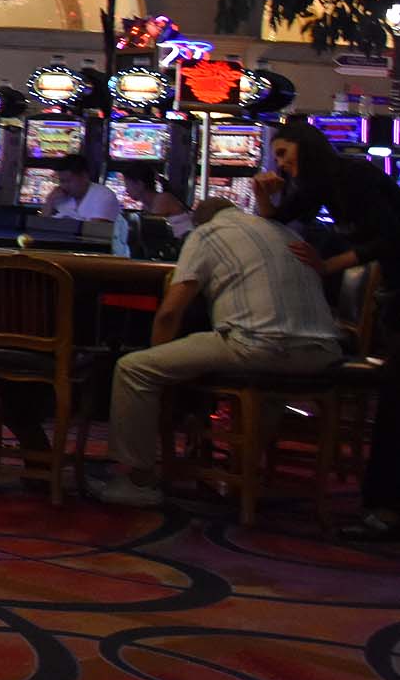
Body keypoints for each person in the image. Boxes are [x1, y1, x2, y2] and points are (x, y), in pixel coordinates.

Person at [92, 198, 346, 507]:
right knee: (268, 386)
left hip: (259, 344)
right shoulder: (285, 232)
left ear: (198, 222)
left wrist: (163, 364)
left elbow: (170, 313)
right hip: (323, 353)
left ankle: (137, 481)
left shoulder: (206, 234)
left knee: (134, 369)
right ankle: (243, 475)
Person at [256, 120, 400, 540]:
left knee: (395, 400)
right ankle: (382, 507)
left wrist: (329, 265)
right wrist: (263, 194)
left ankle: (385, 510)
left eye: (284, 154)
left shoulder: (354, 175)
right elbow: (276, 225)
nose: (281, 164)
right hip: (396, 290)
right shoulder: (318, 186)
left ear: (307, 147)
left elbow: (391, 239)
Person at [41, 154, 121, 226]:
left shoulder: (103, 195)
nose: (64, 186)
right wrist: (49, 200)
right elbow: (42, 225)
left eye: (68, 181)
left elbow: (96, 231)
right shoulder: (59, 196)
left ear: (84, 176)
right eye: (61, 181)